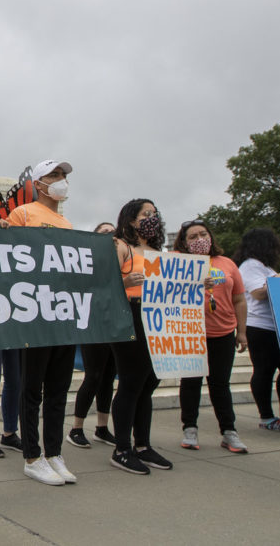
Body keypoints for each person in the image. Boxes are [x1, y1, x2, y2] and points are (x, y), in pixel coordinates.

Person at [0, 159, 78, 485]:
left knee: (58, 389)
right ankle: (32, 456)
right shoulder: (24, 214)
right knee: (32, 389)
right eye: (54, 175)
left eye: (64, 176)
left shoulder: (66, 223)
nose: (61, 181)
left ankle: (54, 452)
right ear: (39, 183)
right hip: (34, 314)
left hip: (61, 312)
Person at [108, 199, 173, 475]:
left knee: (149, 382)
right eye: (146, 214)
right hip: (130, 317)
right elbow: (101, 285)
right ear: (132, 220)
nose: (152, 218)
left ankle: (143, 445)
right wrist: (124, 283)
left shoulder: (160, 251)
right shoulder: (120, 246)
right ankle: (122, 448)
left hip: (158, 319)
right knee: (132, 382)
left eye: (154, 214)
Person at [173, 219, 249, 454]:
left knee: (220, 384)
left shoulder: (227, 264)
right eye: (192, 237)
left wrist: (242, 332)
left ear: (211, 237)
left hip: (223, 333)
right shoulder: (178, 263)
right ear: (184, 243)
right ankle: (190, 428)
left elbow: (239, 299)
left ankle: (229, 431)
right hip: (192, 332)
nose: (199, 240)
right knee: (191, 382)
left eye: (203, 234)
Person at [234, 227, 280, 433]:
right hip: (259, 325)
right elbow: (259, 293)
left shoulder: (265, 268)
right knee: (264, 370)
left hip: (275, 326)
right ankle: (267, 416)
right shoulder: (251, 266)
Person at [68, 221, 118, 449]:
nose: (110, 235)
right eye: (104, 232)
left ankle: (102, 427)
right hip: (93, 326)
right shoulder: (87, 263)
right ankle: (76, 428)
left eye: (112, 231)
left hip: (114, 327)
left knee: (108, 377)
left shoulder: (121, 263)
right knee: (94, 376)